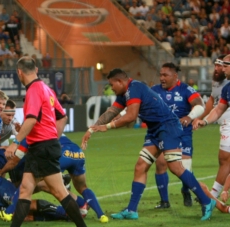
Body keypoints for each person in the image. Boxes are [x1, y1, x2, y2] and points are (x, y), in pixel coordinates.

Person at [81, 68, 215, 221]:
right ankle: (132, 210)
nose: (111, 88)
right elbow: (111, 112)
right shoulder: (125, 93)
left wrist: (108, 127)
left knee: (175, 167)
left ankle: (207, 201)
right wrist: (92, 129)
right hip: (155, 130)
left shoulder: (135, 87)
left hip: (168, 127)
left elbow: (131, 116)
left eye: (112, 85)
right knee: (141, 166)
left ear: (120, 81)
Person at [4, 56, 86, 227]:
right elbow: (62, 117)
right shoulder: (46, 89)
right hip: (42, 147)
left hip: (42, 148)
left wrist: (15, 142)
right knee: (26, 190)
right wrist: (51, 137)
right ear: (36, 70)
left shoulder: (33, 90)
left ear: (19, 73)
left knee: (59, 192)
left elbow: (32, 119)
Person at [0, 135, 108, 223]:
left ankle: (9, 212)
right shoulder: (51, 125)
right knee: (82, 187)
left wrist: (2, 171)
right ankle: (101, 215)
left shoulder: (32, 129)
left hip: (62, 152)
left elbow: (19, 156)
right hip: (77, 152)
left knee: (30, 180)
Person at [150, 63, 205, 208]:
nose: (161, 78)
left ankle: (186, 190)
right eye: (160, 75)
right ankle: (164, 201)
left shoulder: (185, 89)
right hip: (164, 133)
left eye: (165, 75)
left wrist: (189, 116)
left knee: (184, 168)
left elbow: (200, 105)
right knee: (161, 163)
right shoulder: (155, 90)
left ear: (175, 76)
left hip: (182, 134)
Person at [193, 55, 230, 199]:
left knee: (225, 159)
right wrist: (205, 121)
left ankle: (214, 195)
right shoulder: (226, 88)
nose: (222, 69)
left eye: (225, 66)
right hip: (226, 125)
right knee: (224, 159)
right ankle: (213, 197)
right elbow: (218, 109)